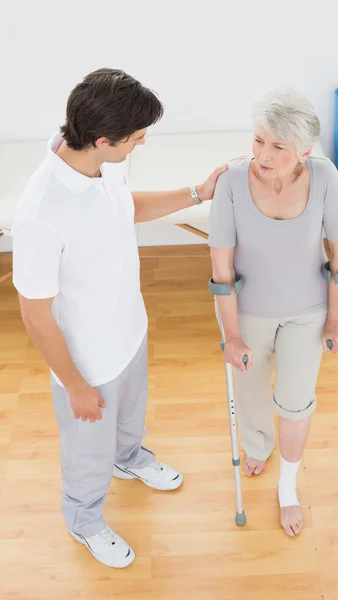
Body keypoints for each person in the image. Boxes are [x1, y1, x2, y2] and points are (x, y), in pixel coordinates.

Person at [11, 68, 226, 568]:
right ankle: (83, 519)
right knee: (88, 453)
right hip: (88, 362)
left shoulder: (102, 163)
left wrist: (199, 192)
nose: (142, 143)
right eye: (136, 138)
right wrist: (75, 384)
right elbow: (35, 314)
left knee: (130, 421)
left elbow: (121, 208)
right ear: (103, 139)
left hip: (129, 328)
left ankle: (128, 459)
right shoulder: (40, 213)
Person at [208, 87, 338, 538]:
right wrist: (232, 336)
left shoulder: (326, 177)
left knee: (295, 401)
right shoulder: (233, 182)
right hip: (247, 312)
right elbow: (221, 269)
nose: (262, 154)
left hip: (307, 313)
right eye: (258, 140)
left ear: (303, 152)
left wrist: (335, 319)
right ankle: (257, 444)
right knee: (250, 395)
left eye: (277, 146)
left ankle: (287, 487)